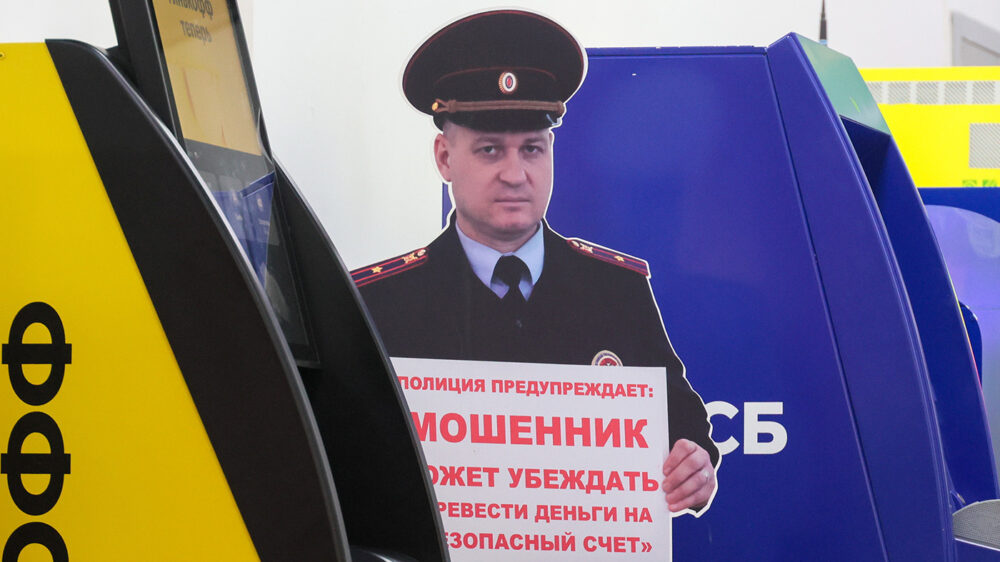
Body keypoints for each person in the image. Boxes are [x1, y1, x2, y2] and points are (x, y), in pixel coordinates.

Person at [352, 9, 718, 514]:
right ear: (444, 158)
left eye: (531, 149)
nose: (514, 173)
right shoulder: (380, 304)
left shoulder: (616, 290)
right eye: (489, 150)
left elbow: (682, 423)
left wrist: (695, 463)